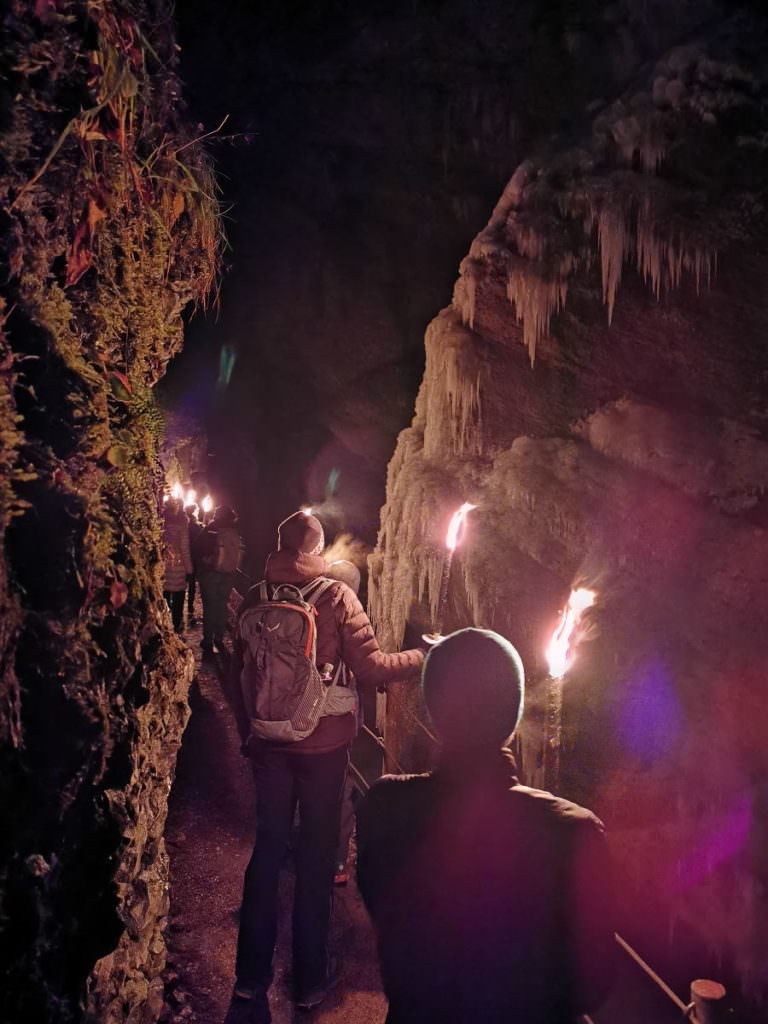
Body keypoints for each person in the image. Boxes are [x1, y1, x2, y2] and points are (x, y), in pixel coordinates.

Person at [357, 627, 615, 1024]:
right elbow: (592, 986)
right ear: (511, 713)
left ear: (434, 707)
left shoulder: (384, 806)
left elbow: (386, 916)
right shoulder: (573, 833)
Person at [226, 511, 424, 1024]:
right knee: (315, 861)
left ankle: (249, 982)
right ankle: (310, 986)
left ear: (278, 544)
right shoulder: (337, 597)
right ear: (315, 548)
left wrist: (251, 728)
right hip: (323, 748)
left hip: (268, 743)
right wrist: (424, 657)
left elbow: (239, 670)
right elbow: (374, 668)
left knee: (266, 854)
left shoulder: (254, 597)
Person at [198, 505, 243, 654]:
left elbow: (198, 546)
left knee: (210, 606)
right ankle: (219, 637)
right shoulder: (236, 531)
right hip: (229, 573)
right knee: (222, 604)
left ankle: (207, 639)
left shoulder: (211, 528)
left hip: (211, 572)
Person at [162, 498, 192, 633]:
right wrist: (189, 569)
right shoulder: (182, 525)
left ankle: (165, 623)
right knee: (179, 597)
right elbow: (185, 549)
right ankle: (176, 623)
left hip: (165, 564)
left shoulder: (162, 523)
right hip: (178, 566)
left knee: (166, 595)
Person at [184, 503, 204, 626]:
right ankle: (191, 606)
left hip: (185, 557)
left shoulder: (185, 525)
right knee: (192, 584)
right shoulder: (196, 527)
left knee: (185, 582)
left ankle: (188, 606)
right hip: (195, 558)